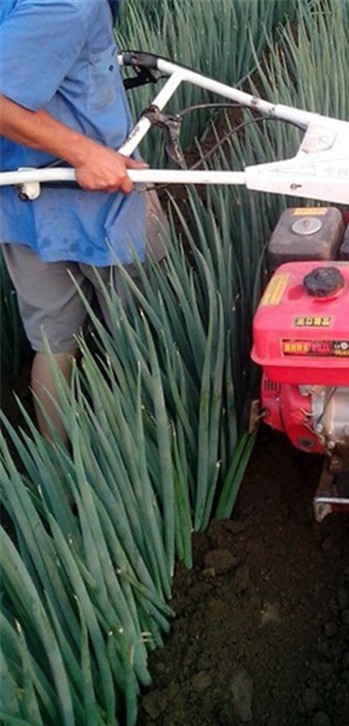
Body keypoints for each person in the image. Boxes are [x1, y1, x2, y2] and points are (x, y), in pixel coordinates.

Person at [0, 0, 166, 440]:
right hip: (97, 199)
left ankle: (57, 470)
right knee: (144, 333)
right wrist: (86, 153)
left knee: (53, 342)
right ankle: (148, 457)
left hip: (20, 202)